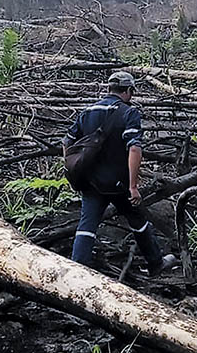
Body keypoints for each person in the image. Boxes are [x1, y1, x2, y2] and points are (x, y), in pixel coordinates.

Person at [62, 71, 175, 276]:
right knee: (137, 219)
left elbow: (67, 142)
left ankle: (76, 271)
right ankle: (156, 263)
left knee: (87, 225)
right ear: (129, 90)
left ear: (108, 89)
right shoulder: (128, 113)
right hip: (118, 183)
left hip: (90, 181)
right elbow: (134, 148)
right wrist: (133, 186)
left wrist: (74, 172)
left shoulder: (88, 111)